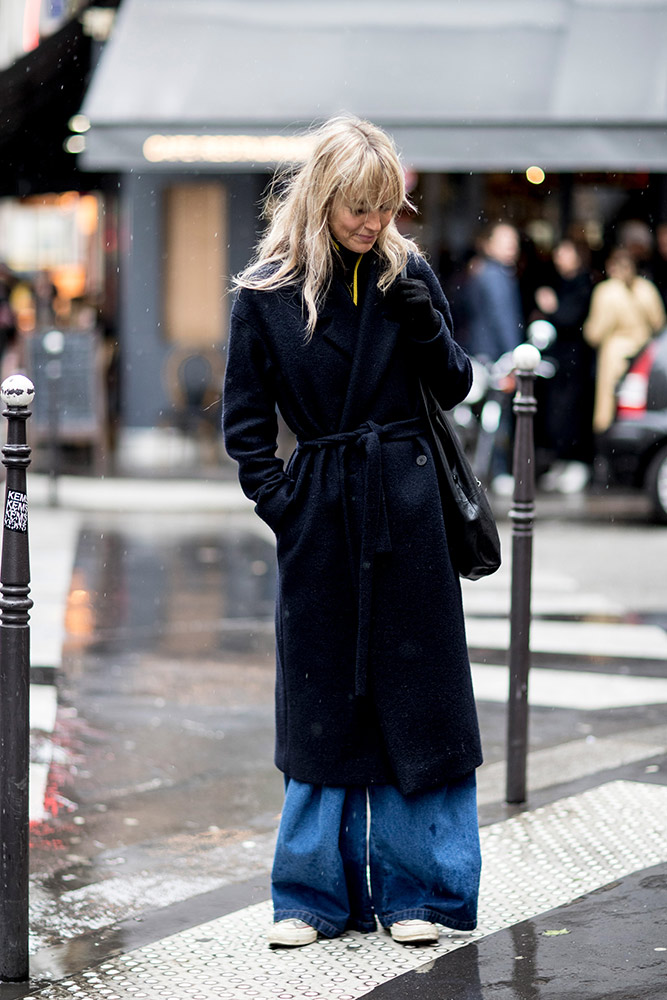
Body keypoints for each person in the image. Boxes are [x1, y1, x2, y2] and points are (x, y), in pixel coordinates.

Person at [222, 116, 482, 949]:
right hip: (324, 516)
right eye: (358, 209)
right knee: (321, 705)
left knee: (419, 706)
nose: (375, 224)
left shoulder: (409, 275)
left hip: (409, 516)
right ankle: (310, 897)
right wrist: (285, 506)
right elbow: (245, 424)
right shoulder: (266, 291)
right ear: (321, 198)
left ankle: (421, 893)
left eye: (386, 207)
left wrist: (424, 322)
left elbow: (453, 384)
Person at [464, 222, 524, 492]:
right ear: (490, 244)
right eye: (505, 240)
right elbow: (503, 319)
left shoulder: (485, 272)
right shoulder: (494, 275)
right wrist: (514, 354)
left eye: (514, 240)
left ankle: (484, 470)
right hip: (495, 355)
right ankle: (497, 471)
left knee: (487, 415)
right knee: (497, 415)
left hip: (481, 351)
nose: (512, 246)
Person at [584, 247, 666, 436]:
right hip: (643, 355)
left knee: (608, 409)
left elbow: (594, 334)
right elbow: (659, 323)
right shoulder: (646, 289)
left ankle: (609, 451)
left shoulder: (606, 291)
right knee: (639, 405)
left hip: (614, 355)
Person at [534, 239, 595, 492]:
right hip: (560, 361)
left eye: (564, 253)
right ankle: (561, 461)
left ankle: (574, 462)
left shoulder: (583, 284)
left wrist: (551, 307)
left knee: (570, 411)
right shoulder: (560, 282)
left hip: (575, 362)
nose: (559, 258)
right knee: (557, 412)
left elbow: (571, 318)